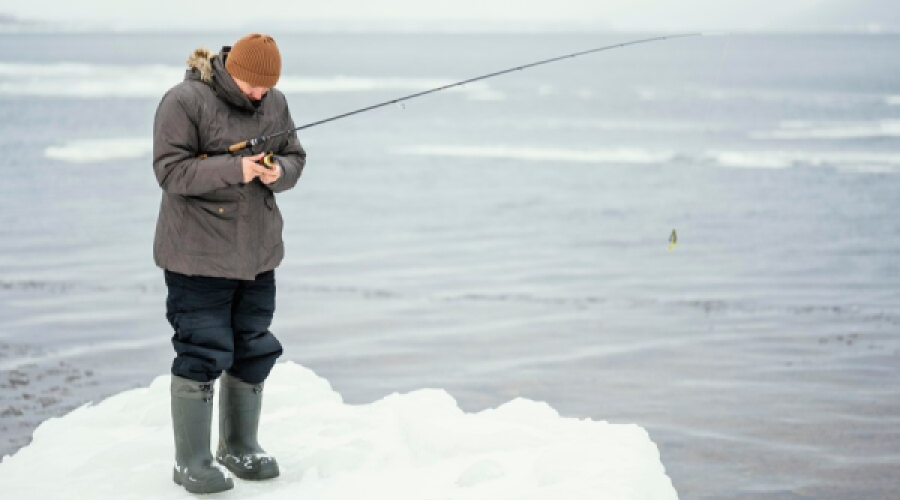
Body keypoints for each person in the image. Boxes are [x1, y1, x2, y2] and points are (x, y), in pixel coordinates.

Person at [151, 33, 306, 494]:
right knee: (203, 349)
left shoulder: (275, 102)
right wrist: (236, 169)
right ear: (230, 70)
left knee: (253, 345)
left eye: (268, 87)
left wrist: (280, 172)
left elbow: (296, 155)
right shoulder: (184, 101)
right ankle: (191, 461)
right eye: (255, 85)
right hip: (197, 255)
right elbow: (170, 171)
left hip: (258, 254)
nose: (262, 94)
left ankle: (239, 446)